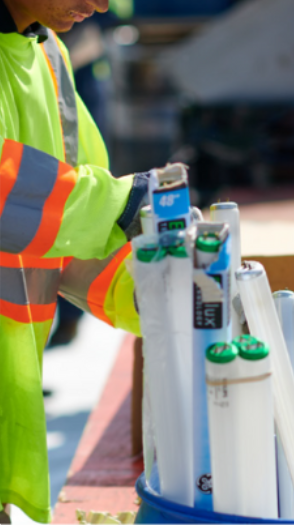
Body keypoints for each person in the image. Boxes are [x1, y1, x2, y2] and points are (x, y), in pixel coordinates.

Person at [0, 0, 148, 522]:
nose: (102, 5)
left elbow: (75, 232)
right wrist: (118, 201)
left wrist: (153, 290)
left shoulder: (49, 54)